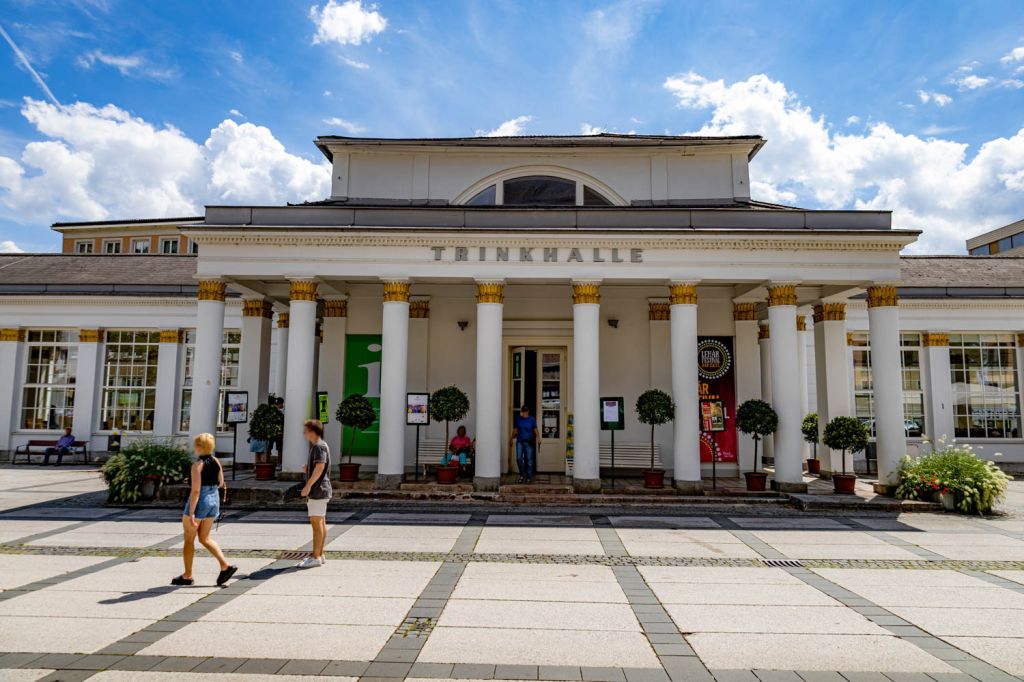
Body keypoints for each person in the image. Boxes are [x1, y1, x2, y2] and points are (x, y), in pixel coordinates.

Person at [172, 433, 237, 587]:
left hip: (200, 501)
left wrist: (192, 512)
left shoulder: (197, 466)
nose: (194, 447)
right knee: (205, 538)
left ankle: (187, 575)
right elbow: (221, 483)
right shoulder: (216, 461)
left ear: (200, 447)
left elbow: (195, 491)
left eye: (195, 444)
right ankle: (225, 566)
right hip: (214, 500)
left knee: (189, 540)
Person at [297, 419, 331, 569]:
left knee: (316, 524)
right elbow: (318, 467)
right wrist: (308, 468)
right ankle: (320, 554)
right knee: (321, 523)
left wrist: (308, 486)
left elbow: (320, 467)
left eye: (305, 430)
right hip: (322, 489)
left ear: (312, 431)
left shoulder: (318, 446)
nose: (304, 433)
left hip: (318, 490)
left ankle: (315, 556)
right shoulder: (321, 445)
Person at [510, 405, 540, 483]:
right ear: (521, 412)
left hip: (529, 442)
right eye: (523, 412)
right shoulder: (518, 419)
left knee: (529, 460)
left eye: (526, 412)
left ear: (528, 412)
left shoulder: (532, 419)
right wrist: (511, 439)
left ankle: (529, 477)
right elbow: (515, 430)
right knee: (519, 459)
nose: (524, 413)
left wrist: (538, 438)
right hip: (520, 441)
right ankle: (522, 475)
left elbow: (535, 429)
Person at [272, 397, 285, 462]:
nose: (283, 405)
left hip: (274, 432)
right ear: (279, 404)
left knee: (278, 448)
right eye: (282, 403)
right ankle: (279, 462)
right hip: (278, 432)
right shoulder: (278, 413)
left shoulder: (273, 411)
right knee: (280, 448)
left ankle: (278, 462)